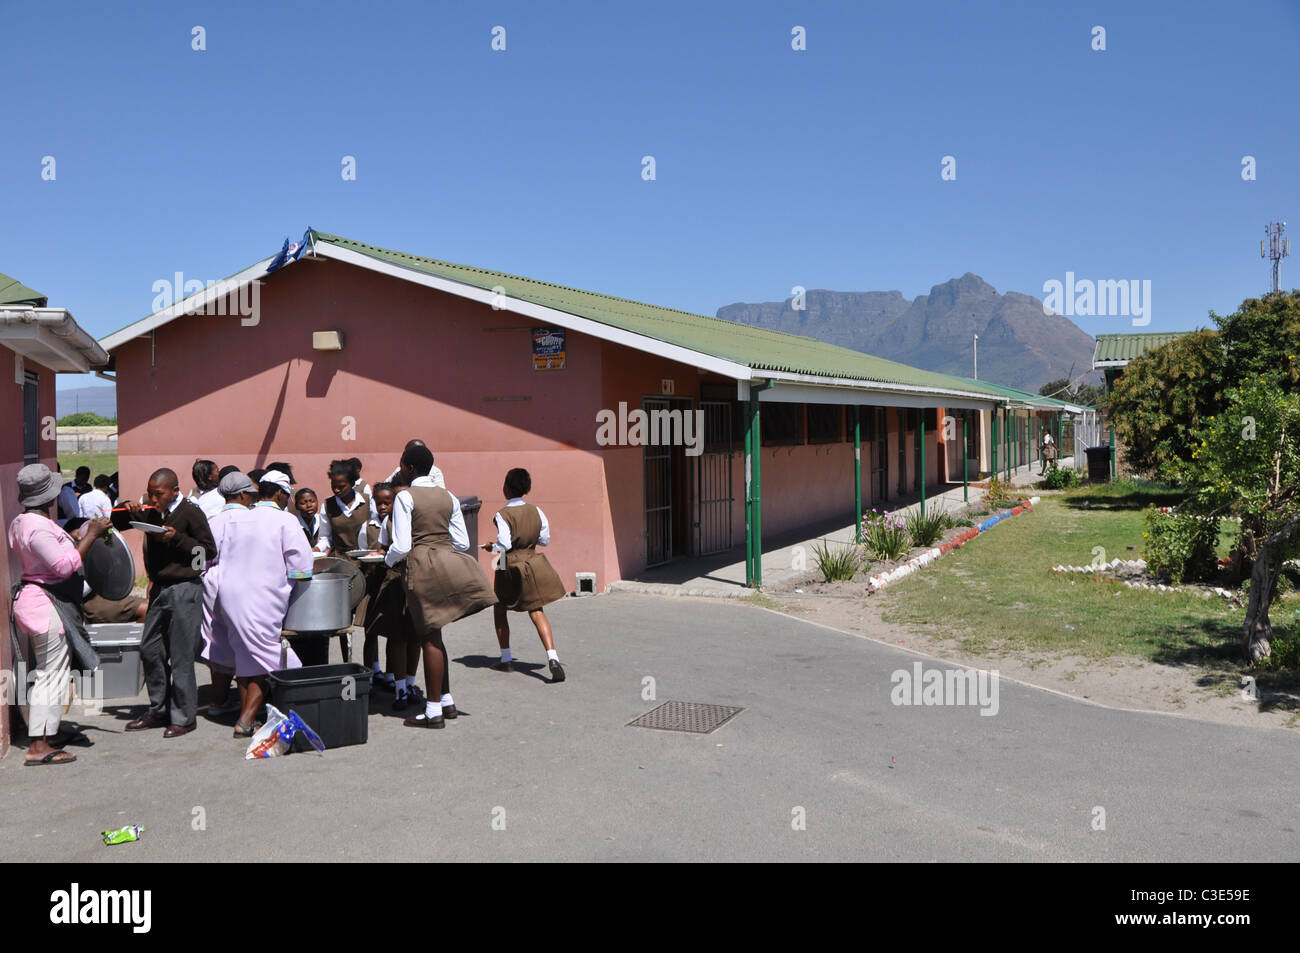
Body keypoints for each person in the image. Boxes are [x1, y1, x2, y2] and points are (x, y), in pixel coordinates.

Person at [386, 444, 495, 728]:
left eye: (401, 465)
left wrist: (387, 561)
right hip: (445, 561)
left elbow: (401, 544)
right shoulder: (448, 496)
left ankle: (433, 710)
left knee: (429, 638)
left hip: (420, 566)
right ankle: (446, 700)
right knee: (436, 635)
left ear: (409, 468)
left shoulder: (405, 497)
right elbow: (463, 542)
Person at [8, 464, 111, 765]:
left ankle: (46, 734)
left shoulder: (22, 521)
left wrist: (77, 535)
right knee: (50, 677)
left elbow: (53, 551)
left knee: (50, 673)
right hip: (44, 604)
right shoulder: (36, 527)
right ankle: (38, 745)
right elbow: (64, 567)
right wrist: (90, 536)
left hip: (37, 602)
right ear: (50, 496)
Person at [112, 468, 217, 738]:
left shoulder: (190, 512)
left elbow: (207, 552)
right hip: (160, 589)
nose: (152, 498)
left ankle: (183, 717)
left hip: (185, 588)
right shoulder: (151, 510)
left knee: (181, 655)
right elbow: (118, 523)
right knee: (150, 649)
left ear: (173, 490)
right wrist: (125, 508)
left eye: (158, 494)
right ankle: (159, 709)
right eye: (150, 493)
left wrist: (177, 538)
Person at [213, 476, 314, 737]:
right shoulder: (285, 520)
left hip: (229, 595)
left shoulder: (239, 518)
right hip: (261, 597)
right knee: (277, 657)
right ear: (281, 495)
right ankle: (249, 720)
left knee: (248, 656)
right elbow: (302, 567)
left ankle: (248, 718)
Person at [484, 468, 567, 682]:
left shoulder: (502, 514)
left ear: (506, 488)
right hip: (532, 561)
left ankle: (506, 658)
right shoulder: (536, 511)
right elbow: (544, 540)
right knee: (536, 610)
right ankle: (552, 656)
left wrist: (491, 546)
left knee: (500, 609)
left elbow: (504, 544)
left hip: (507, 562)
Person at [199, 471, 257, 719]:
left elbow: (200, 561)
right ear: (243, 495)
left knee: (218, 642)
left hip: (214, 587)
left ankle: (219, 701)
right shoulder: (256, 521)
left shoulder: (212, 522)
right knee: (247, 645)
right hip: (249, 586)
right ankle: (249, 711)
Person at [360, 483, 418, 705]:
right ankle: (401, 688)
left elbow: (400, 549)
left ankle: (410, 684)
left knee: (414, 637)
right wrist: (381, 553)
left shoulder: (414, 520)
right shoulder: (388, 522)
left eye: (389, 502)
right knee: (397, 636)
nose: (384, 506)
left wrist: (388, 556)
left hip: (413, 580)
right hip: (393, 582)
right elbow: (385, 547)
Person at [324, 459, 372, 664]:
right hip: (341, 564)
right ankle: (348, 663)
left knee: (369, 619)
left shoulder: (369, 503)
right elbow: (325, 537)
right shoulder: (328, 505)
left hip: (367, 564)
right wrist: (319, 549)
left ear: (352, 483)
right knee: (344, 618)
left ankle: (374, 666)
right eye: (333, 486)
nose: (336, 490)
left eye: (341, 486)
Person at [294, 487, 329, 554]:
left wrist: (317, 549)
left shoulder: (322, 520)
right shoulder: (294, 525)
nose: (309, 505)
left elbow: (326, 539)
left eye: (312, 501)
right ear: (296, 506)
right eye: (303, 503)